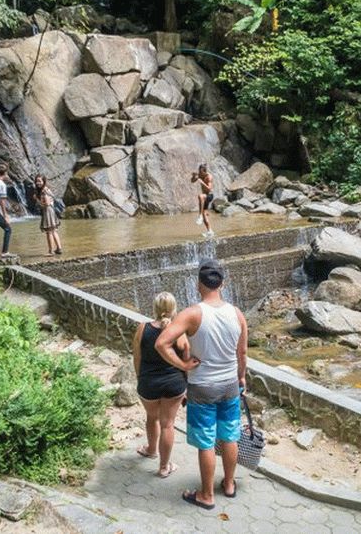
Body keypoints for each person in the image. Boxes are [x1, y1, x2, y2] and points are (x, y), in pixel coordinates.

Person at [155, 259, 248, 510]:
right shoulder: (237, 314)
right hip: (229, 384)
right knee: (230, 437)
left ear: (198, 285)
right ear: (223, 284)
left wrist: (183, 366)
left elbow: (161, 343)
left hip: (203, 387)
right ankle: (229, 484)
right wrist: (242, 378)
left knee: (206, 442)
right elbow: (242, 354)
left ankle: (207, 495)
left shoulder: (192, 314)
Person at [132, 292, 190, 478]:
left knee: (152, 418)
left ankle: (151, 450)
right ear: (174, 310)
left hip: (149, 383)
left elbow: (137, 358)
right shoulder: (178, 332)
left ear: (155, 309)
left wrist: (141, 378)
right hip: (174, 384)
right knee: (168, 424)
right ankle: (164, 467)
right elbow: (186, 358)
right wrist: (187, 384)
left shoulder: (143, 328)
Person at [33, 174, 62, 255]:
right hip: (51, 211)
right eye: (36, 181)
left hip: (48, 211)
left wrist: (37, 200)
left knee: (49, 232)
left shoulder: (43, 191)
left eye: (39, 181)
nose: (38, 183)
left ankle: (50, 251)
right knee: (54, 231)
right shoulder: (47, 189)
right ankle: (59, 249)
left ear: (44, 181)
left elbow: (47, 203)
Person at [191, 163, 214, 238]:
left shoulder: (209, 177)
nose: (199, 173)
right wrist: (194, 176)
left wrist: (202, 182)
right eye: (199, 171)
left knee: (200, 196)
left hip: (209, 195)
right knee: (205, 215)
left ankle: (200, 216)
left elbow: (209, 189)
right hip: (205, 196)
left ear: (204, 171)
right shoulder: (200, 175)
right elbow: (192, 181)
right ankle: (210, 231)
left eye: (201, 172)